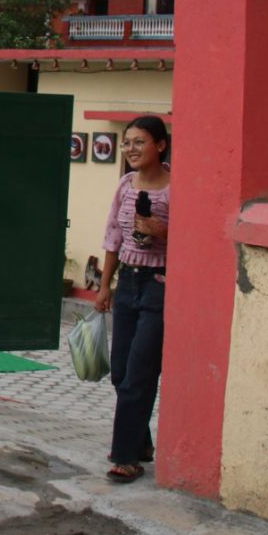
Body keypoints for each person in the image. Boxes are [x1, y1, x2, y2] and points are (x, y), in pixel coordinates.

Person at [94, 115, 171, 484]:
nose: (131, 150)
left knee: (139, 373)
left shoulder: (178, 188)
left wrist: (161, 229)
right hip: (127, 283)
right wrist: (105, 285)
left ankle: (125, 458)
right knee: (121, 371)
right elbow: (113, 236)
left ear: (160, 145)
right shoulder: (125, 185)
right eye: (127, 143)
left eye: (140, 142)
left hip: (161, 285)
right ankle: (141, 444)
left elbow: (195, 238)